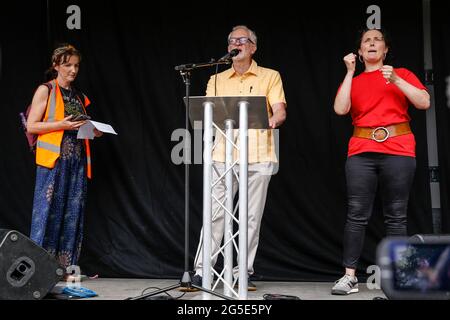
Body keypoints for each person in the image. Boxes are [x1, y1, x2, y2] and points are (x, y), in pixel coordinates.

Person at [331, 28, 430, 295]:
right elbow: (340, 109)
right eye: (367, 41)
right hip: (361, 150)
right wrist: (350, 73)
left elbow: (424, 102)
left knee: (396, 216)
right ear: (360, 52)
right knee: (356, 215)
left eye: (378, 40)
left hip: (399, 148)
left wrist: (396, 79)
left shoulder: (402, 74)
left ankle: (401, 276)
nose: (372, 43)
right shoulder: (355, 78)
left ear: (385, 50)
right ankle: (349, 277)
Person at [190, 25, 287, 291]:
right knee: (214, 215)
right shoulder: (217, 79)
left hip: (259, 154)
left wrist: (271, 121)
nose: (237, 44)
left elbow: (279, 111)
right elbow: (206, 113)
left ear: (253, 47)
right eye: (233, 40)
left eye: (243, 40)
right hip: (222, 154)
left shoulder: (270, 76)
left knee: (250, 217)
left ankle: (240, 272)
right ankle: (202, 271)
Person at [27, 44, 103, 280]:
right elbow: (32, 125)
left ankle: (64, 270)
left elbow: (80, 128)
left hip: (76, 162)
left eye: (76, 65)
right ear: (56, 65)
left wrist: (94, 130)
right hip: (53, 161)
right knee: (47, 214)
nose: (73, 70)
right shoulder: (46, 90)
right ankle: (40, 270)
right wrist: (62, 124)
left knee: (72, 215)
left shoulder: (78, 96)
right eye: (68, 65)